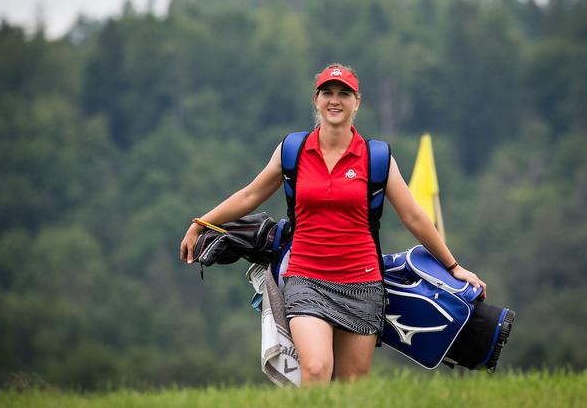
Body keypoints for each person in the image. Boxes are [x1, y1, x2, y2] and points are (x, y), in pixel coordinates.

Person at [179, 63, 486, 386]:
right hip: (305, 279)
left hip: (362, 283)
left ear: (357, 102)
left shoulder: (376, 157)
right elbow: (250, 195)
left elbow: (413, 217)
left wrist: (453, 267)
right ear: (316, 100)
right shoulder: (293, 151)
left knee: (350, 389)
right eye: (327, 93)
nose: (335, 100)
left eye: (344, 94)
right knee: (314, 370)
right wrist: (201, 223)